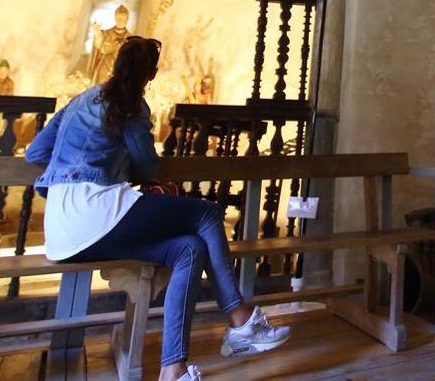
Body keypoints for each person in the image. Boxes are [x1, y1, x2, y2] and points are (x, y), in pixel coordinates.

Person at [26, 36, 290, 381]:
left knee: (189, 250)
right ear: (149, 73)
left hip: (61, 226)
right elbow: (148, 167)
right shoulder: (130, 105)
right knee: (207, 213)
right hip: (96, 210)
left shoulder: (78, 101)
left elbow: (34, 153)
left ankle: (174, 369)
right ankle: (240, 318)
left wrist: (75, 163)